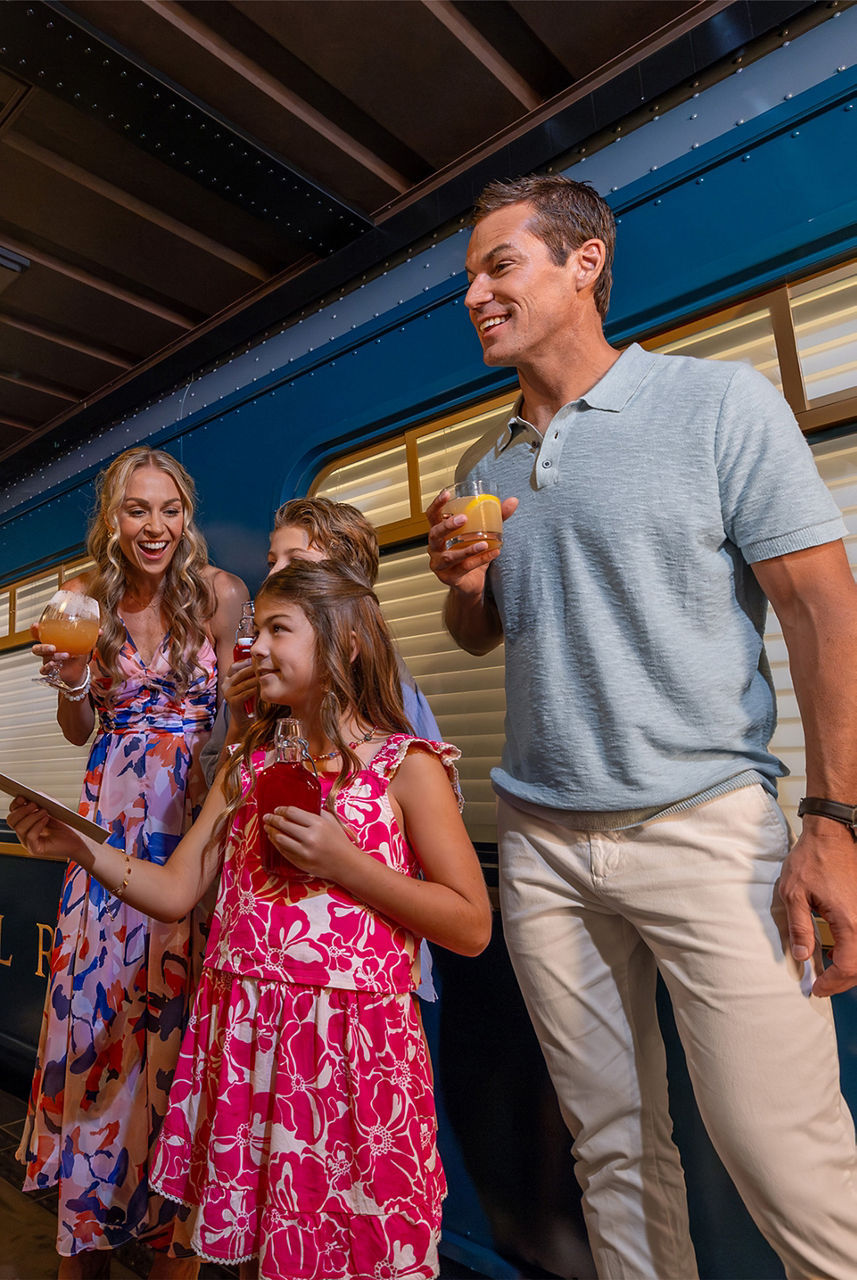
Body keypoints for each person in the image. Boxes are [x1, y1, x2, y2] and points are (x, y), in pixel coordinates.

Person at [425, 173, 857, 1279]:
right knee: (610, 1150)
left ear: (582, 264)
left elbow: (819, 604)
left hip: (705, 829)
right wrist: (465, 582)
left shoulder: (713, 405)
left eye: (497, 266)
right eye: (467, 277)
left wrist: (832, 818)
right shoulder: (485, 465)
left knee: (784, 1158)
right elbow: (484, 633)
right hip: (541, 847)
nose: (473, 293)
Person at [9, 559, 492, 1280]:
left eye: (276, 630)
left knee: (346, 1245)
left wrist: (347, 864)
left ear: (346, 643)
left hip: (349, 1056)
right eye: (251, 629)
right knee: (253, 1251)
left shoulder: (404, 766)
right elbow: (175, 891)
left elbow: (470, 924)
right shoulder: (245, 765)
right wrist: (81, 846)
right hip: (244, 1042)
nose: (251, 647)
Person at [19, 446, 246, 1279]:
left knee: (180, 1033)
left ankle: (167, 1231)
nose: (155, 527)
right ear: (112, 521)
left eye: (169, 510)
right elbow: (79, 730)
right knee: (100, 1021)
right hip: (106, 836)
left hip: (190, 829)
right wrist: (74, 680)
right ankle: (89, 1223)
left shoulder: (219, 595)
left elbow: (237, 719)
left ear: (185, 516)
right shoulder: (83, 601)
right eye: (136, 510)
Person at [200, 496, 441, 784]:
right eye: (272, 562)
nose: (273, 575)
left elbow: (423, 787)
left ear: (341, 582)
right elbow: (218, 786)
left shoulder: (391, 683)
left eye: (296, 562)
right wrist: (239, 726)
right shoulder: (258, 667)